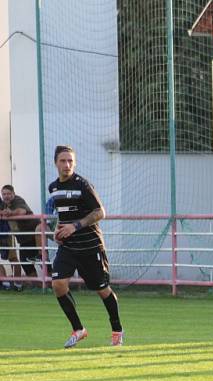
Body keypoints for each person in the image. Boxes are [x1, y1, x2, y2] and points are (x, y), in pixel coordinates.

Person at [49, 145, 124, 348]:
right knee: (58, 285)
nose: (67, 165)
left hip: (90, 246)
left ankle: (117, 330)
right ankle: (78, 329)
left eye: (70, 161)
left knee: (102, 290)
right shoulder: (53, 188)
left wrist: (75, 226)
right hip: (69, 247)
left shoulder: (83, 185)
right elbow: (62, 216)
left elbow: (100, 212)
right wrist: (58, 231)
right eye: (63, 161)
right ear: (55, 163)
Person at [0, 185, 40, 287]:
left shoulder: (18, 200)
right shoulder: (4, 204)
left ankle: (50, 286)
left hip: (33, 234)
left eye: (8, 194)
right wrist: (4, 213)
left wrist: (10, 213)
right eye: (4, 194)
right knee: (26, 263)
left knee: (42, 260)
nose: (6, 196)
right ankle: (37, 287)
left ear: (13, 193)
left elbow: (22, 211)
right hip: (23, 238)